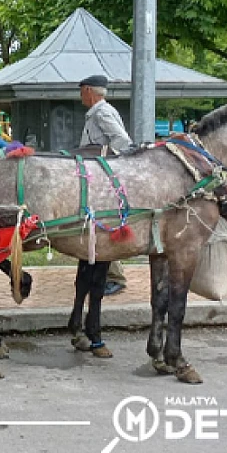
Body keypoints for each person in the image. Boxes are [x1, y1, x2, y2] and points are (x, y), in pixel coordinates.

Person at [78, 74, 134, 296]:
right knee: (96, 225)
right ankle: (102, 271)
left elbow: (122, 141)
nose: (80, 95)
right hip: (96, 176)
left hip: (100, 177)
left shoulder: (102, 112)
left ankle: (115, 277)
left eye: (82, 90)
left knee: (100, 225)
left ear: (89, 91)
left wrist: (105, 163)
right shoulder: (99, 111)